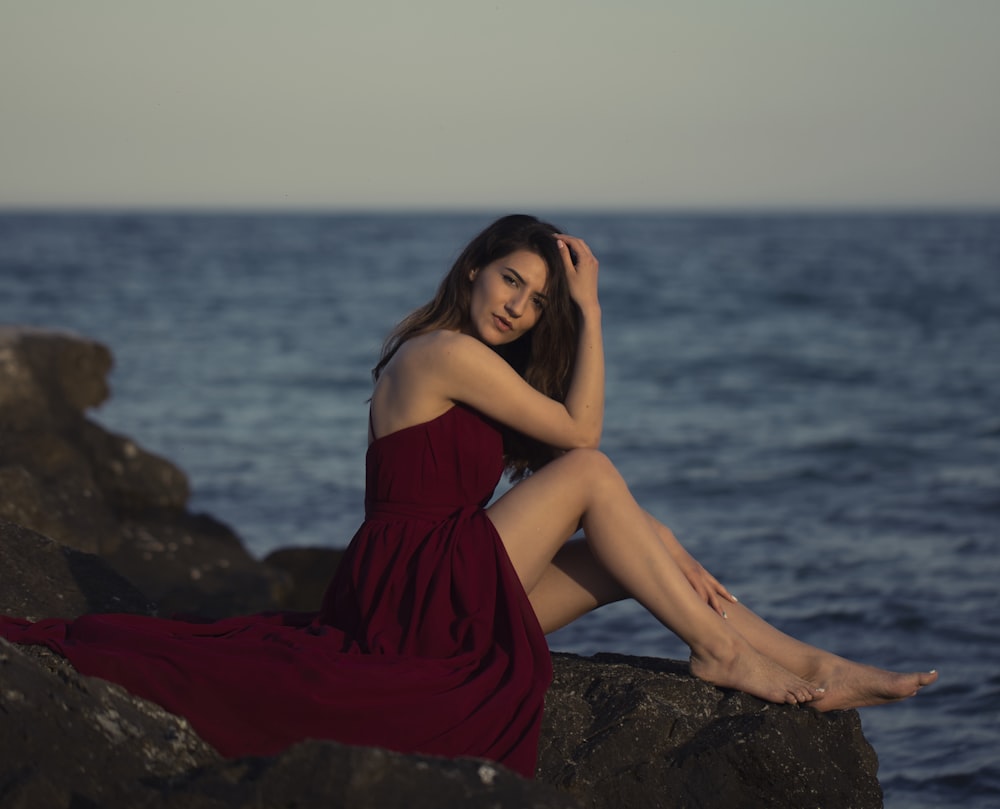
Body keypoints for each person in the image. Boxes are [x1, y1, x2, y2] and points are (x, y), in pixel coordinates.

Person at [0, 214, 936, 779]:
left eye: (539, 301)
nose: (519, 306)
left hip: (438, 585)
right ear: (475, 269)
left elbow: (577, 458)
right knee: (597, 478)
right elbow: (584, 444)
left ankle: (806, 660)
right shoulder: (442, 352)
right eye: (511, 282)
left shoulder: (480, 366)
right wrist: (596, 310)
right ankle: (725, 654)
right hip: (414, 579)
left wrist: (666, 546)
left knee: (629, 537)